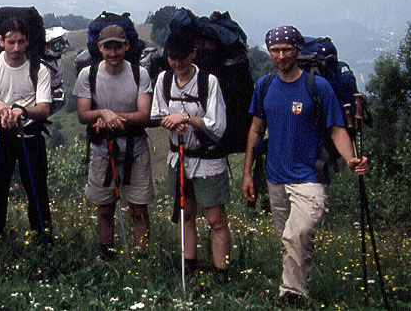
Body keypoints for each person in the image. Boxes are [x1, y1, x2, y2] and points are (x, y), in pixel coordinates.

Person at [242, 25, 368, 307]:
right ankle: (296, 292)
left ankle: (291, 296)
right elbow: (255, 130)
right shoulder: (264, 86)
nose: (281, 55)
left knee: (296, 235)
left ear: (298, 51)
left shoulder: (317, 86)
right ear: (269, 52)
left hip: (309, 177)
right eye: (275, 50)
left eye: (287, 49)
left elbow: (336, 129)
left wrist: (351, 159)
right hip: (275, 178)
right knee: (288, 242)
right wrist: (247, 173)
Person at [151, 31, 231, 279]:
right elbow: (157, 114)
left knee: (216, 220)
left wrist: (186, 118)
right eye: (173, 59)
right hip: (180, 159)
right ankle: (190, 268)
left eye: (183, 58)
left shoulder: (209, 82)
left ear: (193, 54)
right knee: (186, 215)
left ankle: (222, 273)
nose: (178, 64)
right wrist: (171, 123)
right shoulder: (164, 80)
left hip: (208, 161)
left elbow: (217, 125)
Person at [74, 24, 153, 259]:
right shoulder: (88, 75)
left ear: (126, 46)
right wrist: (102, 115)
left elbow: (144, 115)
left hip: (135, 149)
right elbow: (82, 115)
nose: (113, 53)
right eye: (107, 48)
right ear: (99, 48)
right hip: (102, 149)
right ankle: (107, 254)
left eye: (117, 47)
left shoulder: (140, 74)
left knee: (139, 208)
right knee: (105, 208)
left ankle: (141, 257)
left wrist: (110, 116)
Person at [0, 17, 52, 243]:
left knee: (37, 190)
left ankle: (42, 237)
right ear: (0, 41)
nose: (16, 48)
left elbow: (44, 109)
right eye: (11, 42)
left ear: (28, 41)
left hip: (29, 134)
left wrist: (21, 112)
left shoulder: (39, 68)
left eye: (21, 42)